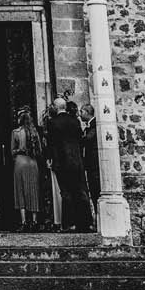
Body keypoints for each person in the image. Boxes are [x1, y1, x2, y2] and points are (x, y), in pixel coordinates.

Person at [46, 98, 92, 232]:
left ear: (56, 107)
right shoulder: (75, 121)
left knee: (66, 192)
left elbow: (51, 143)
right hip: (76, 160)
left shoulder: (52, 122)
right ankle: (84, 223)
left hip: (61, 160)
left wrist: (50, 159)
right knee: (79, 190)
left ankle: (69, 223)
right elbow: (80, 140)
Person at [9, 107, 43, 231]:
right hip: (32, 163)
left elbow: (12, 151)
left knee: (20, 190)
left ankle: (23, 221)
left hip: (20, 162)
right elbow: (40, 151)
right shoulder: (34, 133)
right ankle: (34, 221)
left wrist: (19, 151)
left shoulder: (15, 132)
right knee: (33, 190)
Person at [81, 103, 100, 210]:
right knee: (93, 190)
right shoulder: (89, 125)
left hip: (94, 164)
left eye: (82, 111)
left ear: (87, 112)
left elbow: (88, 139)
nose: (80, 114)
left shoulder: (94, 125)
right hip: (90, 164)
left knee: (95, 189)